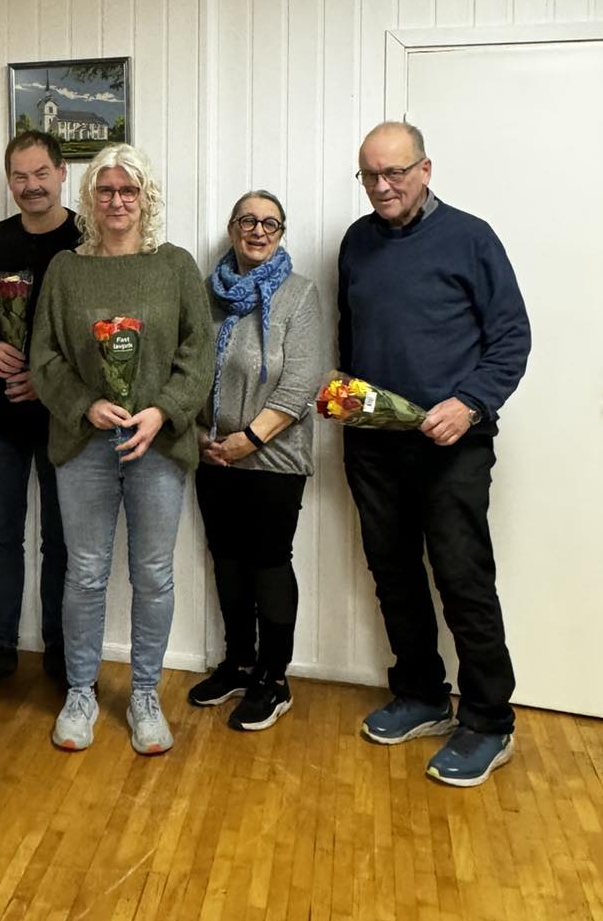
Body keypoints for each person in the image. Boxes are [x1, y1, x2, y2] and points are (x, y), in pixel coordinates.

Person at [339, 120, 531, 787]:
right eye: (370, 175)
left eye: (395, 172)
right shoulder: (357, 243)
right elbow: (352, 332)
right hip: (372, 445)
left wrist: (470, 402)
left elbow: (512, 339)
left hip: (453, 445)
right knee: (392, 572)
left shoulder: (471, 237)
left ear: (425, 169)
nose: (383, 187)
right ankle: (421, 695)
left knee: (461, 577)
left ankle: (488, 721)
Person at [31, 144, 213, 756]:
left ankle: (142, 695)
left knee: (154, 574)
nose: (117, 201)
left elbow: (199, 353)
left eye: (128, 190)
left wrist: (162, 411)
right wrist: (85, 402)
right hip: (84, 443)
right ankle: (80, 692)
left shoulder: (175, 266)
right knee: (84, 572)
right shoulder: (65, 270)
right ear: (89, 199)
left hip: (158, 445)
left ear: (145, 197)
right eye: (105, 190)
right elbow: (45, 355)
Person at [191, 190, 322, 731]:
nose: (259, 230)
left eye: (271, 222)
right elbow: (189, 366)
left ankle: (274, 677)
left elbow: (301, 383)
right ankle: (239, 662)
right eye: (248, 220)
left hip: (274, 459)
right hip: (211, 456)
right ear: (231, 227)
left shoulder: (299, 294)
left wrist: (248, 437)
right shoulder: (207, 293)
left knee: (268, 562)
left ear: (282, 232)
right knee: (226, 560)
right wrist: (200, 434)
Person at [0, 131, 79, 700]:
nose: (31, 186)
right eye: (20, 177)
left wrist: (50, 377)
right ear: (9, 181)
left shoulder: (89, 239)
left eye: (41, 174)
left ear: (61, 173)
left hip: (67, 420)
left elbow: (104, 334)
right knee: (0, 534)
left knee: (63, 539)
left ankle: (61, 650)